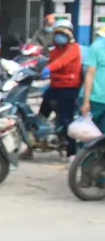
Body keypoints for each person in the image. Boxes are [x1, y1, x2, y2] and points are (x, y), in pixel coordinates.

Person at [41, 18, 83, 158]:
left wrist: (48, 68)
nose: (60, 36)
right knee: (41, 114)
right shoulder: (54, 50)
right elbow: (48, 60)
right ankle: (34, 143)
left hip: (69, 88)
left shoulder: (74, 48)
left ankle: (71, 151)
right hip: (54, 86)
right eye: (57, 33)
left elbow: (61, 62)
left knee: (67, 119)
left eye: (63, 34)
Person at [80, 24, 105, 133]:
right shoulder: (97, 47)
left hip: (96, 98)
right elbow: (89, 75)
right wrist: (86, 102)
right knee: (89, 133)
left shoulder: (96, 46)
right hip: (95, 99)